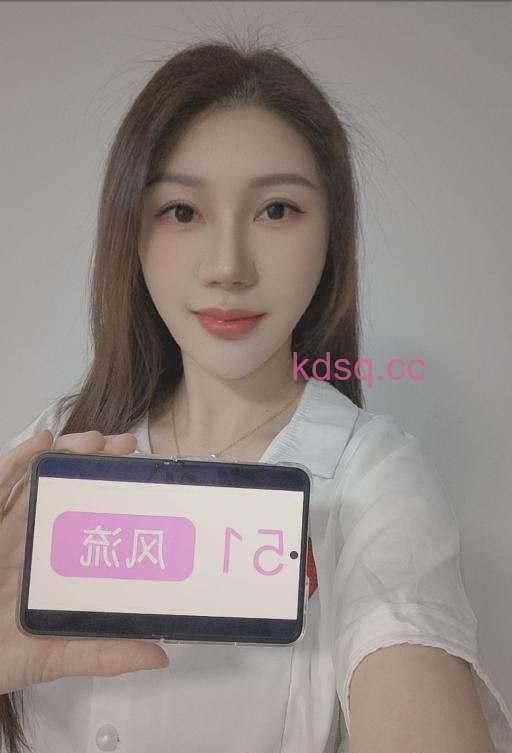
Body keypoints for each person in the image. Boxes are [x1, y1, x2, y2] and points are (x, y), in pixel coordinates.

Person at [1, 35, 511, 753]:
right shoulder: (58, 445)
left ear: (332, 234)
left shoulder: (377, 481)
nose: (228, 267)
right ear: (131, 231)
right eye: (182, 211)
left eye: (276, 209)